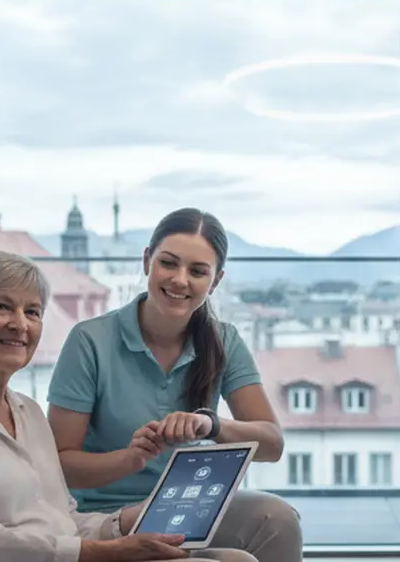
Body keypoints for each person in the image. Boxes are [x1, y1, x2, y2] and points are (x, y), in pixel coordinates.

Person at [0, 250, 256, 562]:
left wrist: (130, 522)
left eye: (32, 312)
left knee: (237, 560)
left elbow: (62, 521)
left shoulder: (27, 411)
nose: (19, 325)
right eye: (1, 307)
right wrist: (109, 552)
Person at [45, 208, 302, 562]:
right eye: (169, 263)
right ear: (147, 260)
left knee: (278, 520)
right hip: (106, 514)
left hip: (191, 504)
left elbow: (272, 445)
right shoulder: (90, 341)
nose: (180, 280)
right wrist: (129, 460)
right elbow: (58, 464)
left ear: (215, 282)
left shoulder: (224, 341)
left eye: (197, 271)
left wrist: (210, 424)